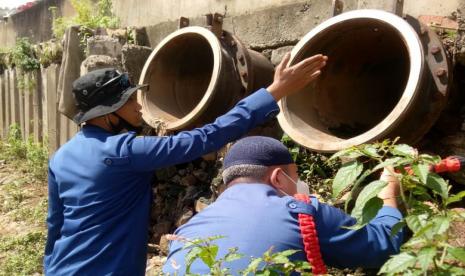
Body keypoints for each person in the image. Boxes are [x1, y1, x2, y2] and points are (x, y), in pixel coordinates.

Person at [43, 53, 328, 275]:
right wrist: (274, 91)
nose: (139, 106)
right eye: (130, 101)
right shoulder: (125, 152)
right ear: (107, 114)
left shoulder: (61, 157)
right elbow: (207, 137)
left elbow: (55, 226)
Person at [163, 136, 403, 275]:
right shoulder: (301, 212)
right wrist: (388, 195)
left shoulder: (188, 231)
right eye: (296, 176)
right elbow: (382, 246)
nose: (300, 184)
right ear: (278, 177)